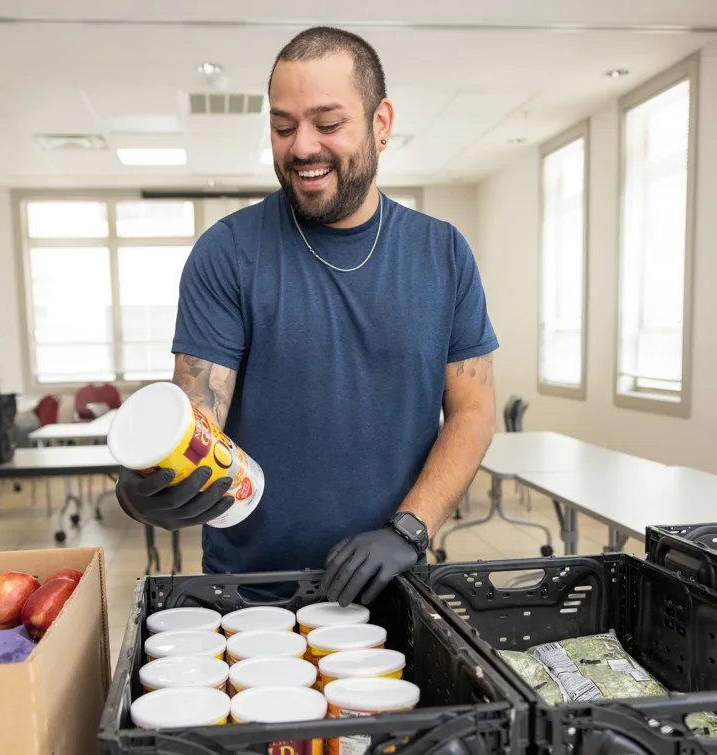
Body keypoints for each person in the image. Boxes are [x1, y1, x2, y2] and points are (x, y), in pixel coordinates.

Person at [116, 26, 498, 606]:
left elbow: (472, 410)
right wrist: (153, 477)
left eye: (327, 123)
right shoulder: (228, 254)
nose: (301, 147)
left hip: (393, 585)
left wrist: (410, 528)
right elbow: (199, 417)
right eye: (282, 125)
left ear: (381, 123)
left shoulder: (443, 254)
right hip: (249, 595)